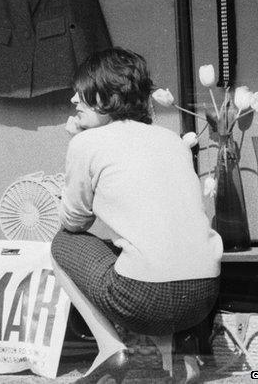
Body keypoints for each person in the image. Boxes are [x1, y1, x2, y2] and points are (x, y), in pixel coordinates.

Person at [54, 48, 222, 384]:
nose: (74, 99)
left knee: (62, 244)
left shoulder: (87, 143)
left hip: (144, 298)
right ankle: (170, 359)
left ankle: (109, 349)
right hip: (204, 295)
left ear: (111, 96)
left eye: (84, 91)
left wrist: (78, 147)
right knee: (144, 248)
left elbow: (73, 222)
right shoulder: (171, 140)